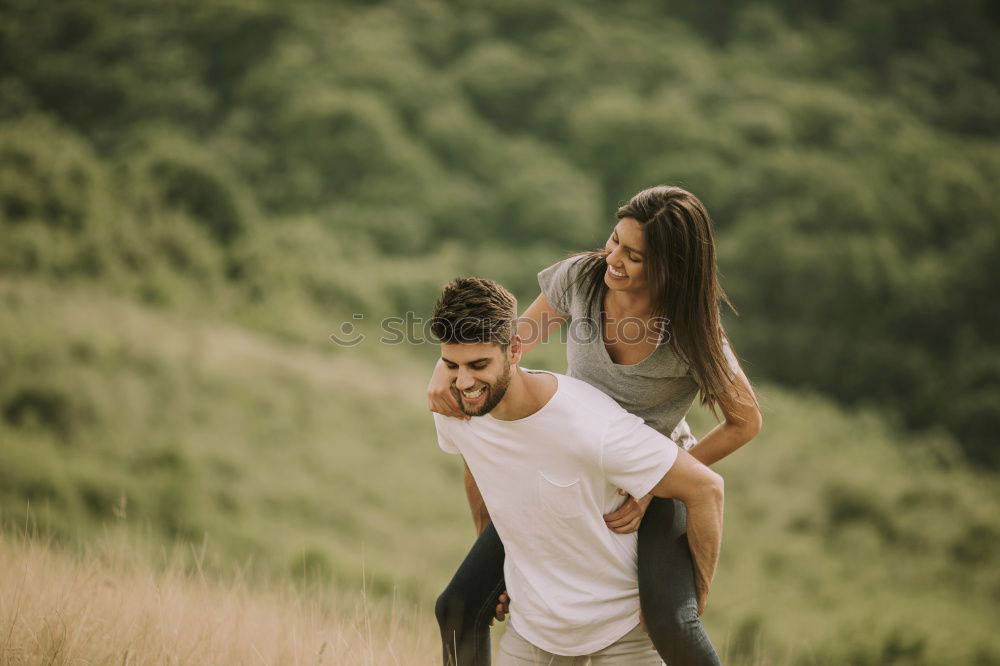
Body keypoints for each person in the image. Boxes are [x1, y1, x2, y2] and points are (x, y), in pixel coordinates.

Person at [430, 185, 762, 665]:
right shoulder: (582, 278)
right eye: (614, 241)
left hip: (649, 470)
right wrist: (443, 371)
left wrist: (654, 484)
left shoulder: (691, 328)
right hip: (567, 454)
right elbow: (507, 343)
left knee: (671, 620)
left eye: (634, 256)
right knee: (458, 605)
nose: (614, 259)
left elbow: (745, 421)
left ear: (670, 267)